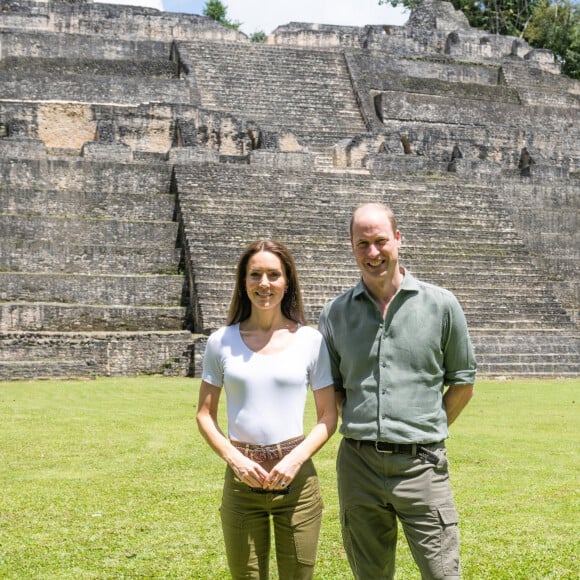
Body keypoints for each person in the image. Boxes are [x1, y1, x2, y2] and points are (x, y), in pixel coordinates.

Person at [318, 203, 476, 580]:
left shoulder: (441, 305)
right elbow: (335, 391)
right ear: (351, 247)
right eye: (362, 244)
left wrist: (424, 427)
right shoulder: (335, 314)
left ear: (398, 239)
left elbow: (463, 382)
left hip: (422, 465)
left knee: (442, 574)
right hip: (359, 467)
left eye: (380, 241)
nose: (372, 253)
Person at [196, 239, 337, 580]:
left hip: (297, 485)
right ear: (243, 282)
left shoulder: (310, 340)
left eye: (273, 275)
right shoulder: (221, 341)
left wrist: (294, 459)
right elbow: (204, 415)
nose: (264, 284)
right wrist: (235, 459)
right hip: (242, 484)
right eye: (255, 275)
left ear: (287, 281)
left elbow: (328, 416)